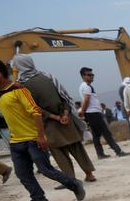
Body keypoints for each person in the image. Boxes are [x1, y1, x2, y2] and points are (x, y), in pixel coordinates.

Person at [0, 58, 85, 201]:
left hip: (33, 139)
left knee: (46, 170)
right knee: (23, 174)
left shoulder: (19, 90)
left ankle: (74, 184)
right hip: (16, 142)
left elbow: (36, 112)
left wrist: (41, 136)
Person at [12, 55, 96, 183]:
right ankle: (89, 174)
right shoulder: (48, 76)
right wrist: (65, 114)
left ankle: (71, 179)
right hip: (65, 118)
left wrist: (55, 117)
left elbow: (34, 108)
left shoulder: (21, 86)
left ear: (19, 66)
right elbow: (64, 96)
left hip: (48, 123)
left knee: (58, 151)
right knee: (77, 147)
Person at [77, 67, 129, 158]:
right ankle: (118, 151)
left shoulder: (84, 86)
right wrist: (83, 111)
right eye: (89, 75)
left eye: (92, 75)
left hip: (91, 113)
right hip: (93, 113)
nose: (91, 76)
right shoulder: (86, 87)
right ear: (83, 76)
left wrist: (83, 111)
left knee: (96, 134)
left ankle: (100, 153)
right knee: (106, 132)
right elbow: (86, 100)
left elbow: (85, 100)